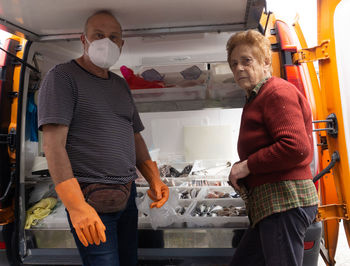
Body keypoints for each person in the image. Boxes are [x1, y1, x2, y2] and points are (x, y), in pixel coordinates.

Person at [37, 10, 169, 266]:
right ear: (83, 40)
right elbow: (53, 146)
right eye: (98, 35)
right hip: (90, 199)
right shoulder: (62, 77)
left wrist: (155, 178)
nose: (106, 42)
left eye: (113, 37)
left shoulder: (120, 85)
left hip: (126, 196)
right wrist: (76, 206)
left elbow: (134, 136)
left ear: (121, 44)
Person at [226, 30, 319, 266]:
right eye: (234, 63)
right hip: (270, 205)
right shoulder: (257, 97)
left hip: (284, 202)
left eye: (246, 61)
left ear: (266, 62)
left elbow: (296, 147)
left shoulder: (276, 92)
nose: (238, 68)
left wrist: (247, 166)